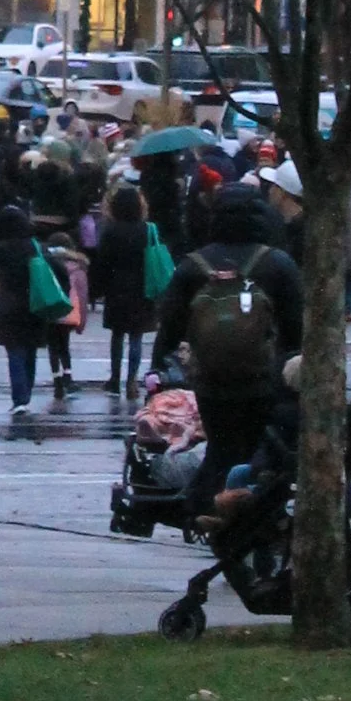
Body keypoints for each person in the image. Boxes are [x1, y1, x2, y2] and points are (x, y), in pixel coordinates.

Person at [151, 200, 304, 492]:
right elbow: (296, 325)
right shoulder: (277, 263)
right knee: (262, 448)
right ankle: (251, 510)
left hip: (211, 381)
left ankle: (209, 506)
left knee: (221, 447)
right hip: (265, 379)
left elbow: (170, 325)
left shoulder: (193, 266)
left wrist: (159, 368)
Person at [0, 196, 59, 437]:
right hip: (33, 303)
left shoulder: (0, 248)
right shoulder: (36, 246)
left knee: (14, 352)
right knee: (30, 351)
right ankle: (26, 393)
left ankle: (19, 398)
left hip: (9, 303)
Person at [91, 181, 155, 399]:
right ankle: (132, 380)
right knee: (136, 336)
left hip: (116, 285)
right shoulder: (147, 230)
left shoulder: (110, 230)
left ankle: (115, 378)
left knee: (117, 335)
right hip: (141, 285)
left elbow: (102, 261)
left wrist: (97, 287)